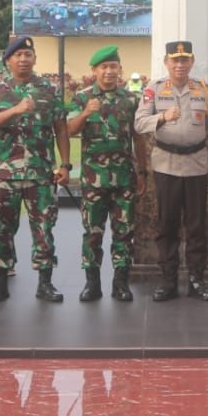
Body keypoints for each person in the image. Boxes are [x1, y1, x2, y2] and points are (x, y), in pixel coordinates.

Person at [0, 36, 71, 303]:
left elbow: (61, 129)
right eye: (18, 55)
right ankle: (0, 283)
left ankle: (45, 283)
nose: (23, 59)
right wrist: (17, 109)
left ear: (34, 59)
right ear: (8, 60)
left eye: (28, 54)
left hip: (40, 173)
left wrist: (65, 164)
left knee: (44, 228)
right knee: (1, 228)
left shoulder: (48, 89)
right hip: (5, 173)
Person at [135, 40, 208, 301]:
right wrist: (161, 117)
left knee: (197, 226)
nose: (180, 65)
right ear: (166, 62)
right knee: (167, 224)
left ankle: (197, 279)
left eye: (184, 60)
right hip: (167, 164)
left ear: (192, 62)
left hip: (196, 164)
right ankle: (168, 280)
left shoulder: (203, 90)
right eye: (175, 60)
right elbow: (139, 123)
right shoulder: (153, 90)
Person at [67, 45, 140, 302]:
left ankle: (121, 283)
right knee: (93, 231)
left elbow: (138, 137)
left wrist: (141, 169)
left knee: (124, 231)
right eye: (104, 67)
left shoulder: (130, 99)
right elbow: (70, 130)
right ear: (94, 70)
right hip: (93, 178)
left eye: (113, 66)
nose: (109, 71)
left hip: (124, 177)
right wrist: (86, 113)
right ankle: (92, 283)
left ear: (120, 69)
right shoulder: (82, 98)